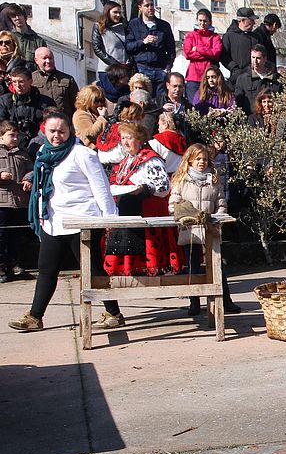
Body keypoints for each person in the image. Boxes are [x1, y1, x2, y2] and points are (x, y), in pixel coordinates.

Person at [8, 113, 122, 332]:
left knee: (93, 269)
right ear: (45, 131)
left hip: (83, 220)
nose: (56, 136)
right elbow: (42, 186)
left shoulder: (82, 154)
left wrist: (109, 219)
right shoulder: (43, 152)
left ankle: (114, 313)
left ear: (70, 131)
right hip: (54, 221)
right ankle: (35, 316)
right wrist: (41, 215)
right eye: (52, 131)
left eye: (62, 131)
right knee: (46, 269)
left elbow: (101, 188)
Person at [168, 143, 241, 316]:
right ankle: (194, 302)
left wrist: (218, 218)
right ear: (190, 160)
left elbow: (221, 202)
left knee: (218, 266)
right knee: (193, 266)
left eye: (205, 159)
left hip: (210, 228)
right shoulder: (181, 180)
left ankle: (226, 301)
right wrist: (186, 215)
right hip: (190, 229)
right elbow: (173, 205)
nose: (202, 162)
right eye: (198, 159)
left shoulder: (213, 179)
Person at [102, 122, 181, 279]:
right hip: (129, 210)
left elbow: (163, 187)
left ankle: (153, 280)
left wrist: (144, 188)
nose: (125, 142)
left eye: (129, 138)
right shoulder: (127, 160)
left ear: (139, 139)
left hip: (147, 211)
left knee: (148, 248)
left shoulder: (151, 160)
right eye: (123, 138)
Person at [0, 120, 30, 282]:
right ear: (1, 136)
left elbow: (31, 170)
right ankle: (1, 266)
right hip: (2, 202)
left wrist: (28, 179)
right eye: (11, 135)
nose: (15, 139)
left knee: (17, 236)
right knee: (2, 235)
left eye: (17, 135)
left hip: (19, 201)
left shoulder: (22, 154)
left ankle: (14, 264)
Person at [126, 0, 176, 89]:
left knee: (160, 101)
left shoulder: (164, 26)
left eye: (152, 5)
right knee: (143, 99)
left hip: (160, 70)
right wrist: (143, 42)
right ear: (140, 8)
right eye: (147, 5)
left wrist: (167, 68)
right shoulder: (134, 24)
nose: (150, 8)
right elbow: (129, 46)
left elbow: (171, 49)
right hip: (141, 69)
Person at [0, 68, 55, 150]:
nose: (17, 85)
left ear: (30, 81)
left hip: (39, 145)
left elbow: (54, 123)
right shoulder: (5, 101)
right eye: (14, 82)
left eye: (21, 81)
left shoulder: (45, 102)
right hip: (12, 145)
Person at [182, 9, 222, 103]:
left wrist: (199, 48)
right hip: (193, 77)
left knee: (210, 105)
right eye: (200, 20)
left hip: (209, 77)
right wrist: (208, 54)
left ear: (210, 22)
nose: (202, 23)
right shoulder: (190, 36)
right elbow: (188, 54)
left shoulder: (215, 37)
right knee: (194, 106)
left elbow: (216, 54)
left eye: (205, 21)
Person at [92, 2, 130, 93]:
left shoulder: (124, 27)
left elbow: (129, 46)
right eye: (115, 12)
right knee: (111, 94)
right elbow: (97, 48)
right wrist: (114, 64)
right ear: (107, 12)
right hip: (107, 69)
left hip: (124, 70)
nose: (118, 15)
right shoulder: (99, 26)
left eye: (119, 13)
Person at [234, 45, 283, 114]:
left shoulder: (277, 79)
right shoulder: (243, 79)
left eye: (258, 58)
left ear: (265, 59)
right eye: (253, 57)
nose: (255, 61)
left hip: (272, 120)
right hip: (251, 121)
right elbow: (238, 102)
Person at [31, 48, 78, 116]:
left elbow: (77, 105)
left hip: (63, 123)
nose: (48, 61)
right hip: (41, 123)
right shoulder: (31, 80)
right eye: (44, 58)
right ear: (36, 60)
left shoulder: (68, 80)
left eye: (50, 58)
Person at [221, 7, 259, 84]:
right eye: (251, 20)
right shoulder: (229, 36)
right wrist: (234, 68)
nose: (254, 23)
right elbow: (223, 56)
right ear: (242, 20)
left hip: (254, 77)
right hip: (236, 78)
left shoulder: (256, 37)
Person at [72, 84, 109, 148]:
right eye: (96, 101)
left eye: (102, 100)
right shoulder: (80, 115)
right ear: (87, 101)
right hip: (90, 152)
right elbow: (91, 135)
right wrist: (102, 117)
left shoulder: (99, 113)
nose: (100, 104)